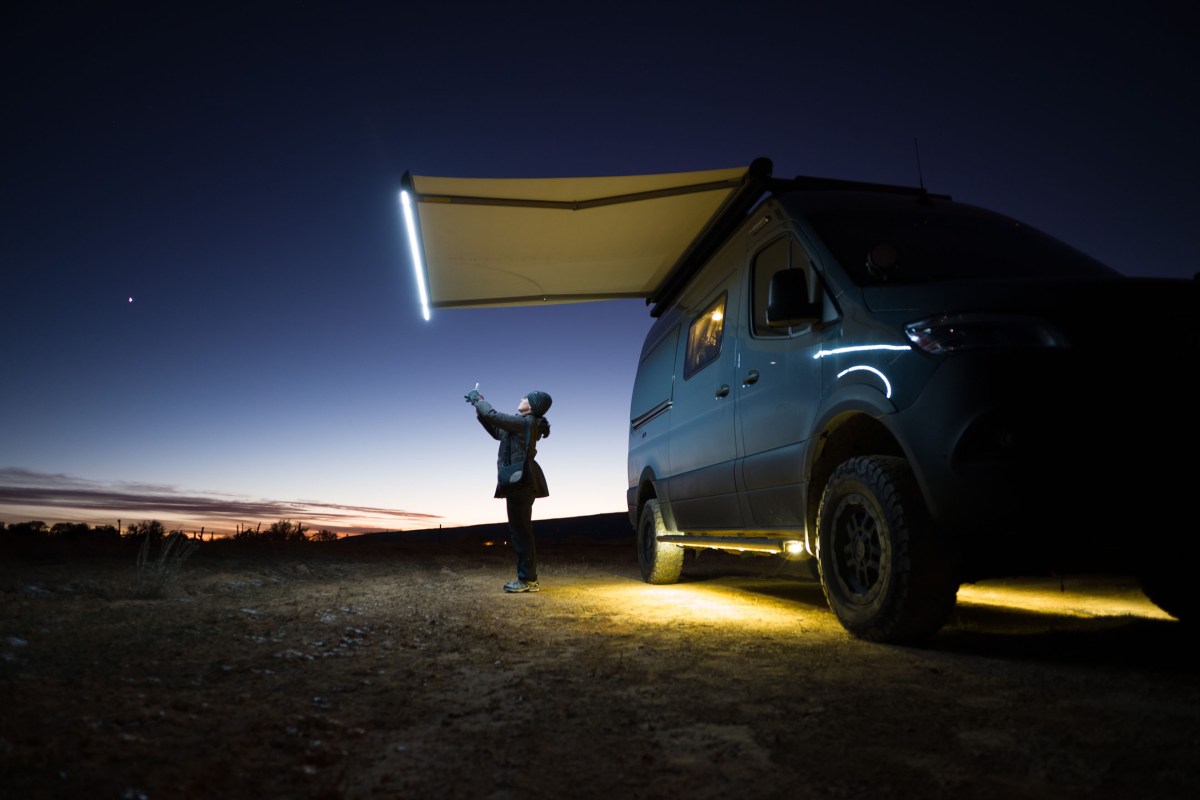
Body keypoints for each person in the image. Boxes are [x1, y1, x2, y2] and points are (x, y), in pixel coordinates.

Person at [465, 387, 552, 593]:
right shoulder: (522, 425)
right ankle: (528, 579)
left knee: (521, 532)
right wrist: (480, 411)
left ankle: (528, 580)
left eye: (525, 398)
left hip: (521, 483)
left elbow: (493, 415)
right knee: (520, 531)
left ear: (532, 406)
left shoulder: (525, 422)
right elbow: (498, 431)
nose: (521, 398)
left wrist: (478, 401)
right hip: (520, 482)